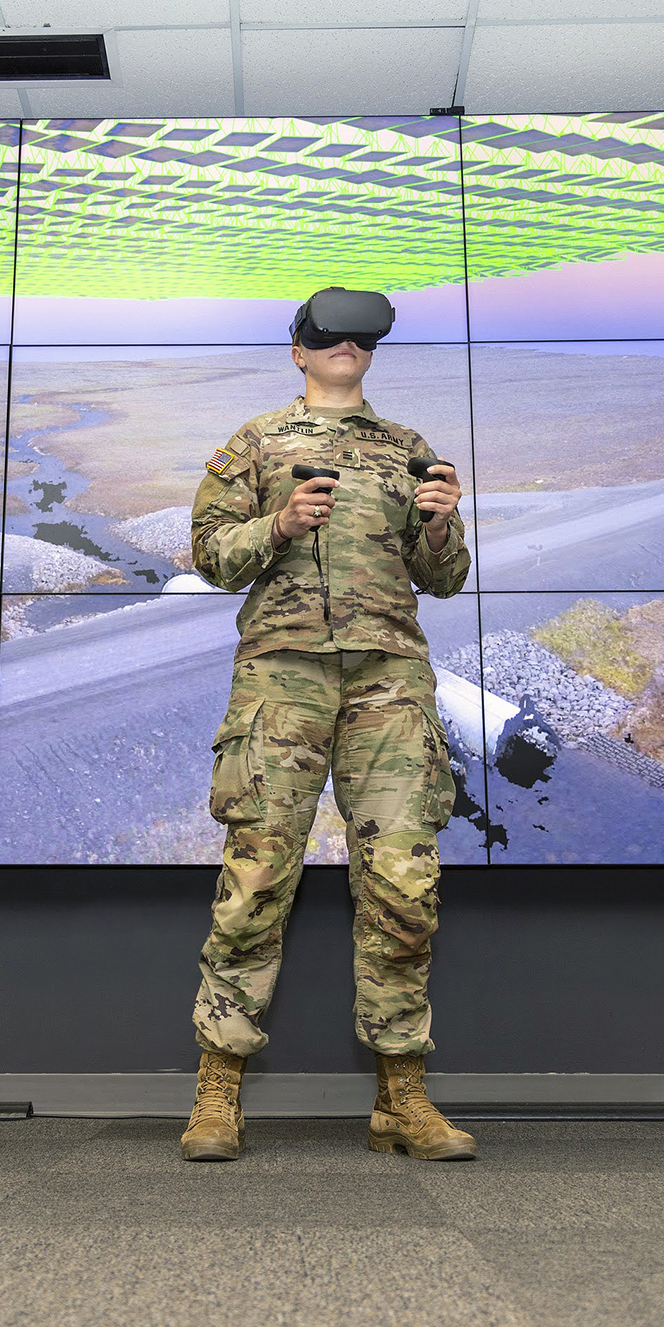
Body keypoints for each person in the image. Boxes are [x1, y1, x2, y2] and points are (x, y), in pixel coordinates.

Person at [179, 287, 477, 1163]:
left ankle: (402, 1096)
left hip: (387, 679)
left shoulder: (408, 449)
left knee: (402, 882)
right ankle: (217, 1090)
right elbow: (211, 556)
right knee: (257, 875)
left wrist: (441, 524)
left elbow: (447, 577)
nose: (344, 347)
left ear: (370, 355)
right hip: (282, 680)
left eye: (359, 338)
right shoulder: (257, 441)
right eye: (327, 335)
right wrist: (277, 522)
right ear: (298, 351)